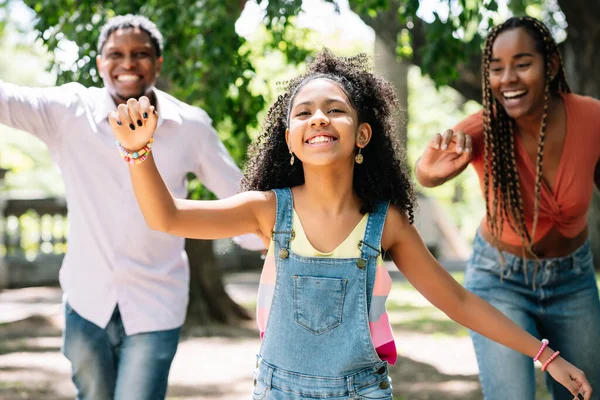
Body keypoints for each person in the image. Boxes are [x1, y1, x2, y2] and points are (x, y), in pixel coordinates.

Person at [109, 49, 592, 400]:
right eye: (304, 112)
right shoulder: (265, 210)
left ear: (362, 134)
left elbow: (461, 301)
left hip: (363, 392)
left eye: (335, 109)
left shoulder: (387, 225)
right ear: (290, 139)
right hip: (279, 392)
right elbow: (166, 216)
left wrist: (546, 356)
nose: (319, 118)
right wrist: (137, 150)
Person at [0, 14, 262, 400]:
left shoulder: (190, 126)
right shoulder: (67, 111)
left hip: (157, 301)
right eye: (116, 54)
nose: (128, 63)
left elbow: (239, 197)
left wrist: (271, 239)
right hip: (86, 299)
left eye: (141, 54)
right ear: (99, 63)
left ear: (157, 63)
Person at [415, 16, 600, 400]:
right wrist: (431, 172)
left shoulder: (591, 118)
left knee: (586, 393)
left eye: (522, 63)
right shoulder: (485, 127)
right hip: (500, 280)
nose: (507, 78)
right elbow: (426, 172)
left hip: (573, 280)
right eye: (496, 69)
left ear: (549, 65)